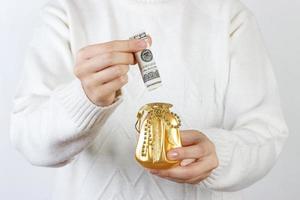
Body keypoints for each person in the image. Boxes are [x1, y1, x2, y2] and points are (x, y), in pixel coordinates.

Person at [10, 0, 289, 199]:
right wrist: (84, 99)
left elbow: (266, 133)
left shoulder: (228, 15)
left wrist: (220, 155)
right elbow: (28, 139)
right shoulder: (67, 11)